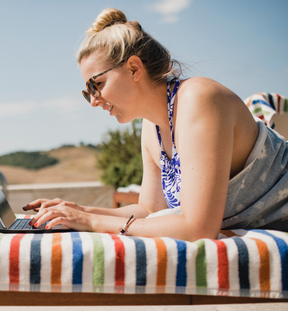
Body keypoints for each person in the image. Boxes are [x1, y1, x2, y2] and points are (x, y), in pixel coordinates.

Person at [23, 8, 288, 241]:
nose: (93, 100)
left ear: (134, 69)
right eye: (87, 92)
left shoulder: (199, 99)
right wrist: (79, 211)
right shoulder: (152, 128)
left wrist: (92, 222)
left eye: (97, 85)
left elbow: (198, 228)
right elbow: (149, 211)